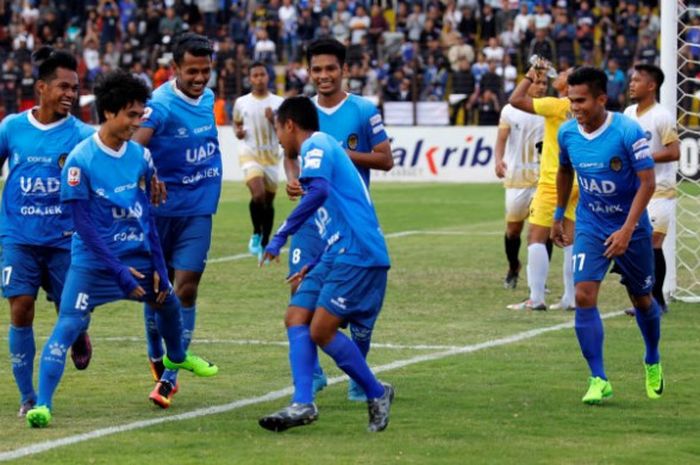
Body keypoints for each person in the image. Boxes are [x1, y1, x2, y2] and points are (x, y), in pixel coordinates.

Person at [25, 69, 218, 428]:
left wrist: (159, 267)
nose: (138, 122)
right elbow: (82, 225)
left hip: (137, 254)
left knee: (169, 301)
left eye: (140, 114)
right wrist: (116, 270)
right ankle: (43, 405)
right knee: (68, 325)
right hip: (94, 263)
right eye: (132, 115)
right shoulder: (80, 160)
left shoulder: (141, 158)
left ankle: (176, 358)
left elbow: (147, 218)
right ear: (110, 113)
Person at [258, 96, 394, 433]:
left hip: (358, 252)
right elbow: (333, 212)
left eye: (277, 129)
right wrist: (316, 261)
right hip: (335, 251)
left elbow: (317, 192)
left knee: (321, 330)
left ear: (289, 124)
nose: (277, 139)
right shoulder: (318, 153)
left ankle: (377, 392)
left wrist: (280, 236)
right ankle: (303, 402)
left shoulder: (317, 143)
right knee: (295, 316)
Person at [285, 38, 393, 401]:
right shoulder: (303, 112)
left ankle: (357, 375)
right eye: (317, 69)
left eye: (331, 68)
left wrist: (341, 155)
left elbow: (385, 158)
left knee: (353, 309)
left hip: (346, 225)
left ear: (344, 70)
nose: (324, 75)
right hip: (310, 224)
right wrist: (291, 177)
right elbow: (290, 154)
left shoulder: (363, 110)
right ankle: (311, 376)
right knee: (299, 292)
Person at [552, 66, 663, 404]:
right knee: (584, 295)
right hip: (590, 224)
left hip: (631, 226)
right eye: (571, 100)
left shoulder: (628, 131)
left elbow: (648, 183)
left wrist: (628, 230)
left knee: (642, 299)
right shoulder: (567, 134)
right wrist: (559, 214)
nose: (575, 107)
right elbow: (565, 170)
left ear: (601, 99)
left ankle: (653, 358)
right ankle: (598, 378)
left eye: (582, 100)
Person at [0, 47, 94, 418]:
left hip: (66, 242)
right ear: (42, 87)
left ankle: (79, 333)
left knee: (70, 312)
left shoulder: (83, 135)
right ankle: (28, 396)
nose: (71, 94)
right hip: (18, 238)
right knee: (21, 310)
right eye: (63, 87)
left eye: (75, 87)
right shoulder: (11, 128)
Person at [132, 33, 222, 409]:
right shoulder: (160, 105)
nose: (200, 78)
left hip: (197, 210)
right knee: (156, 294)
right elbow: (136, 145)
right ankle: (156, 356)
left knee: (185, 288)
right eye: (192, 71)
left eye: (206, 70)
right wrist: (147, 175)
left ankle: (170, 376)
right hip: (158, 214)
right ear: (175, 69)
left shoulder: (209, 99)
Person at [508, 59, 577, 311]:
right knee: (570, 238)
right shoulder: (581, 108)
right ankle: (570, 298)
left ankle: (536, 298)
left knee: (536, 236)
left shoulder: (556, 105)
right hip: (579, 180)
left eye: (564, 73)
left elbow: (515, 100)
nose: (557, 75)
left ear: (569, 85)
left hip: (553, 180)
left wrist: (529, 75)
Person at [623, 64, 680, 315]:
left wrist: (643, 156)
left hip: (660, 190)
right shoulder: (627, 113)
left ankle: (656, 300)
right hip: (635, 192)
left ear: (651, 85)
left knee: (652, 242)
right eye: (631, 80)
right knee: (638, 245)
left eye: (637, 80)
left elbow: (674, 151)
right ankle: (646, 299)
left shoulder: (662, 116)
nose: (631, 84)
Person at [494, 74, 547, 289]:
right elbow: (501, 139)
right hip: (516, 179)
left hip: (543, 179)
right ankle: (513, 266)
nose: (542, 87)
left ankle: (539, 281)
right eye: (538, 82)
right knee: (513, 230)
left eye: (545, 83)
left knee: (542, 230)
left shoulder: (548, 109)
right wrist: (498, 160)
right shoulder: (510, 110)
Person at [233, 62, 284, 259]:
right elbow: (237, 124)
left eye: (262, 74)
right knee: (259, 195)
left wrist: (273, 119)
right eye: (255, 75)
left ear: (267, 77)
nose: (259, 78)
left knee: (268, 203)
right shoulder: (241, 102)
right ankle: (255, 233)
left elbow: (283, 130)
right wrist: (238, 132)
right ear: (250, 78)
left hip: (271, 157)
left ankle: (264, 241)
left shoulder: (279, 103)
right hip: (250, 153)